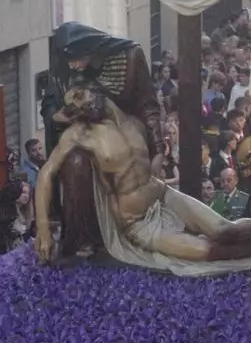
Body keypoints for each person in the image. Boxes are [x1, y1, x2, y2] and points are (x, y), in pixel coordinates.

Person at [34, 82, 251, 276]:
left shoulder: (133, 122)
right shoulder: (79, 135)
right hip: (138, 222)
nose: (80, 106)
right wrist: (44, 228)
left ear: (96, 91)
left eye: (80, 96)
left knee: (224, 229)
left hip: (162, 194)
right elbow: (46, 175)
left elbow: (151, 162)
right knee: (207, 252)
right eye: (74, 106)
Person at [39, 22, 167, 263]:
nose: (71, 65)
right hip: (87, 138)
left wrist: (158, 149)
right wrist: (60, 115)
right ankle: (84, 239)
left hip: (125, 137)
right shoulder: (65, 69)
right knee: (76, 163)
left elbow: (148, 104)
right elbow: (50, 104)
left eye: (75, 59)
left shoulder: (130, 57)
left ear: (90, 48)